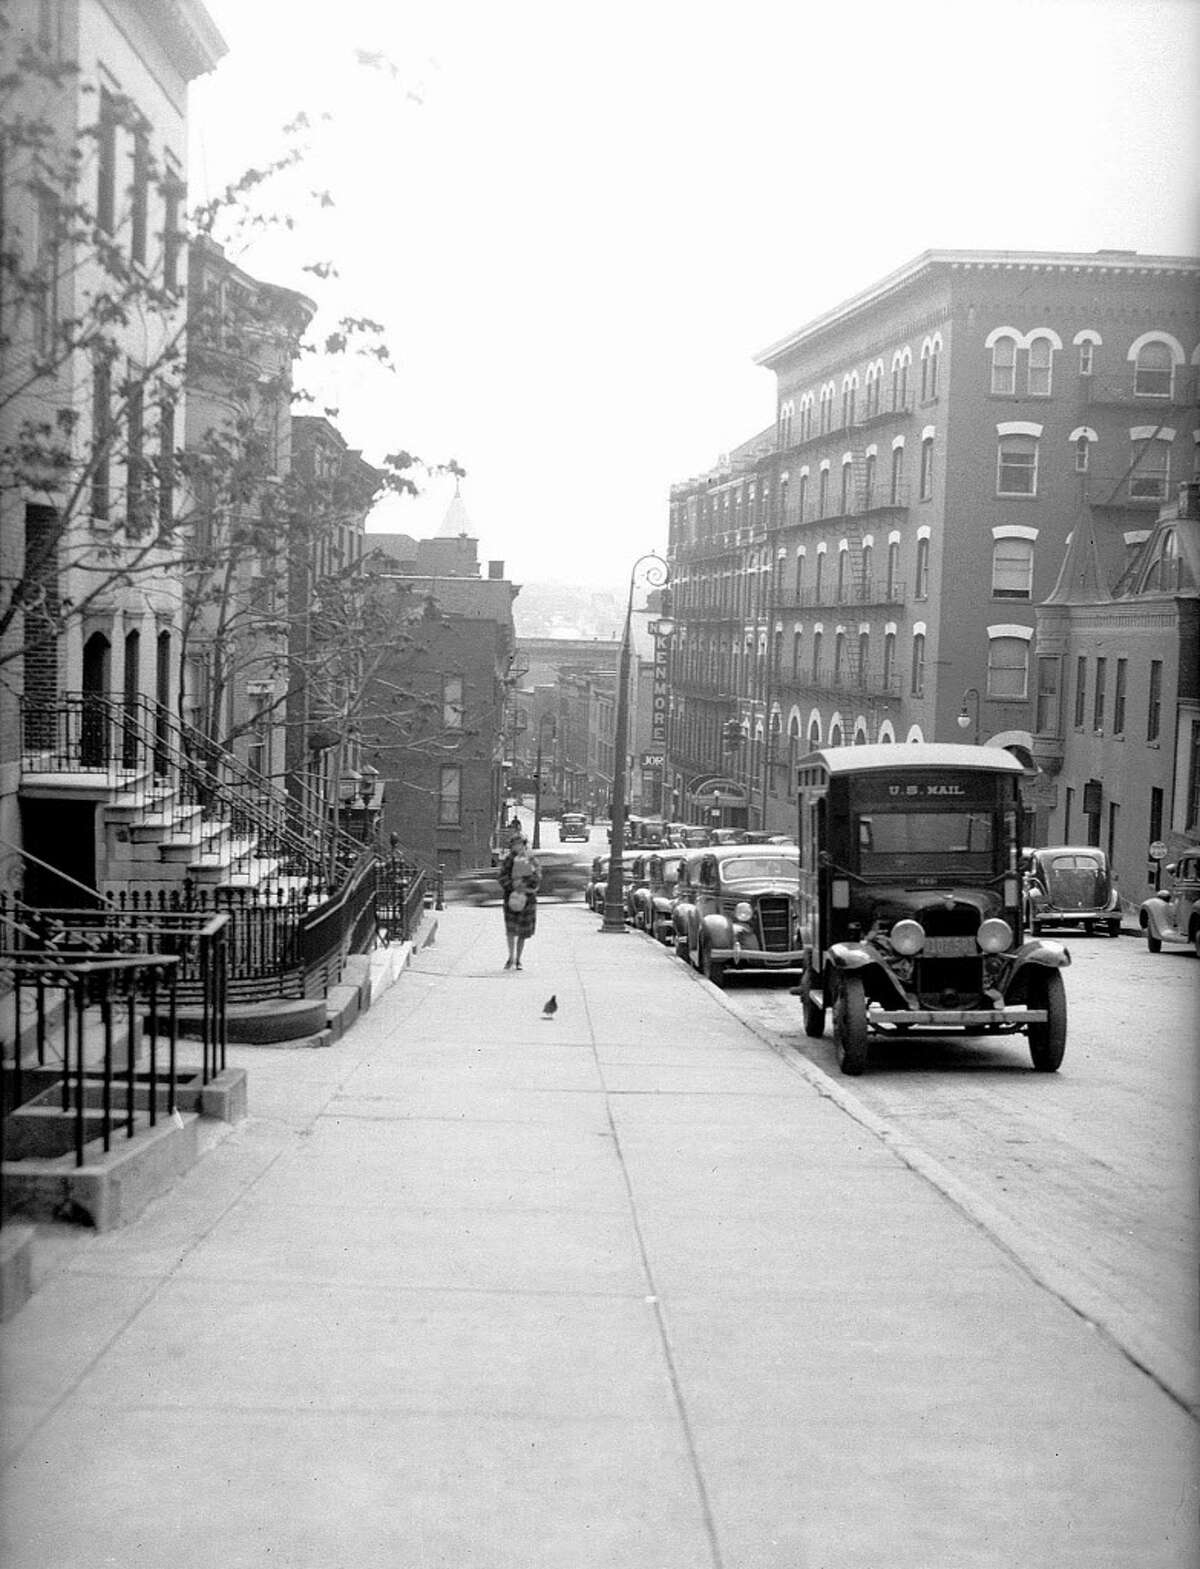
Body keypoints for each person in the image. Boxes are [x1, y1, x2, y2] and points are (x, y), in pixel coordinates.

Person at [497, 833, 541, 969]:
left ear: (524, 844)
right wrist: (512, 886)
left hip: (527, 898)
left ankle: (518, 959)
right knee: (511, 930)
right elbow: (502, 877)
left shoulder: (531, 859)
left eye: (520, 844)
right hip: (511, 897)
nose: (517, 846)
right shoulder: (508, 860)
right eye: (515, 844)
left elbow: (537, 876)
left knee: (523, 932)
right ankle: (510, 957)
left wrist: (527, 885)